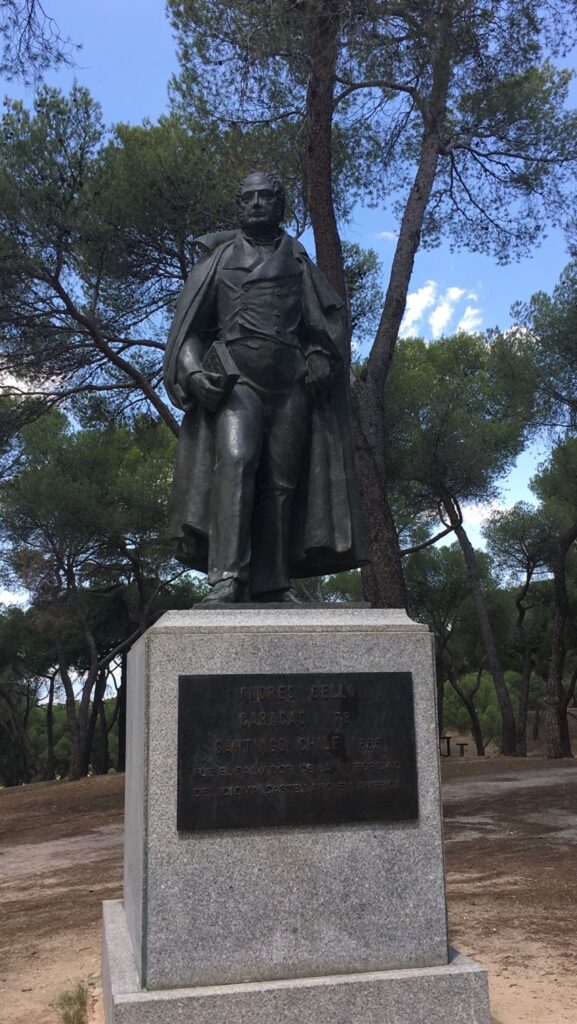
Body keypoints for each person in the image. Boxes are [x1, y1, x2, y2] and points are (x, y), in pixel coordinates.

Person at [163, 171, 368, 604]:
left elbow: (322, 328)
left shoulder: (297, 260)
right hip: (238, 379)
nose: (257, 204)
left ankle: (274, 581)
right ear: (238, 207)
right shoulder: (216, 262)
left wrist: (317, 356)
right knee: (237, 460)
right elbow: (190, 334)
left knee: (281, 483)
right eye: (248, 198)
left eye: (266, 197)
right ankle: (227, 579)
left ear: (281, 205)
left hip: (289, 384)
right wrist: (194, 372)